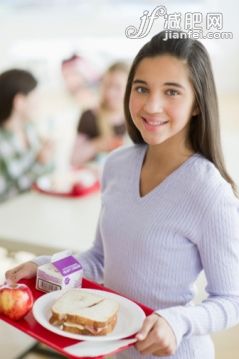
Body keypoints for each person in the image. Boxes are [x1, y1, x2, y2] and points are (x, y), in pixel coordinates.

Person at [6, 31, 239, 359]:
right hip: (114, 350)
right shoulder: (117, 165)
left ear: (198, 102)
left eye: (171, 91)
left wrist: (177, 321)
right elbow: (100, 260)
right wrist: (46, 267)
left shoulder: (210, 192)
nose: (151, 105)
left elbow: (231, 300)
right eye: (141, 88)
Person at [0, 69, 54, 202]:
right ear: (19, 102)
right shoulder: (3, 143)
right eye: (35, 98)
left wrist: (46, 158)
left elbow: (48, 174)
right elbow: (4, 197)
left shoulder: (30, 129)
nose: (39, 103)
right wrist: (39, 163)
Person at [70, 61, 128, 167]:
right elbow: (73, 159)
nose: (110, 93)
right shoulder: (89, 116)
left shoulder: (136, 119)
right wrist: (96, 145)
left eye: (117, 87)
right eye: (106, 85)